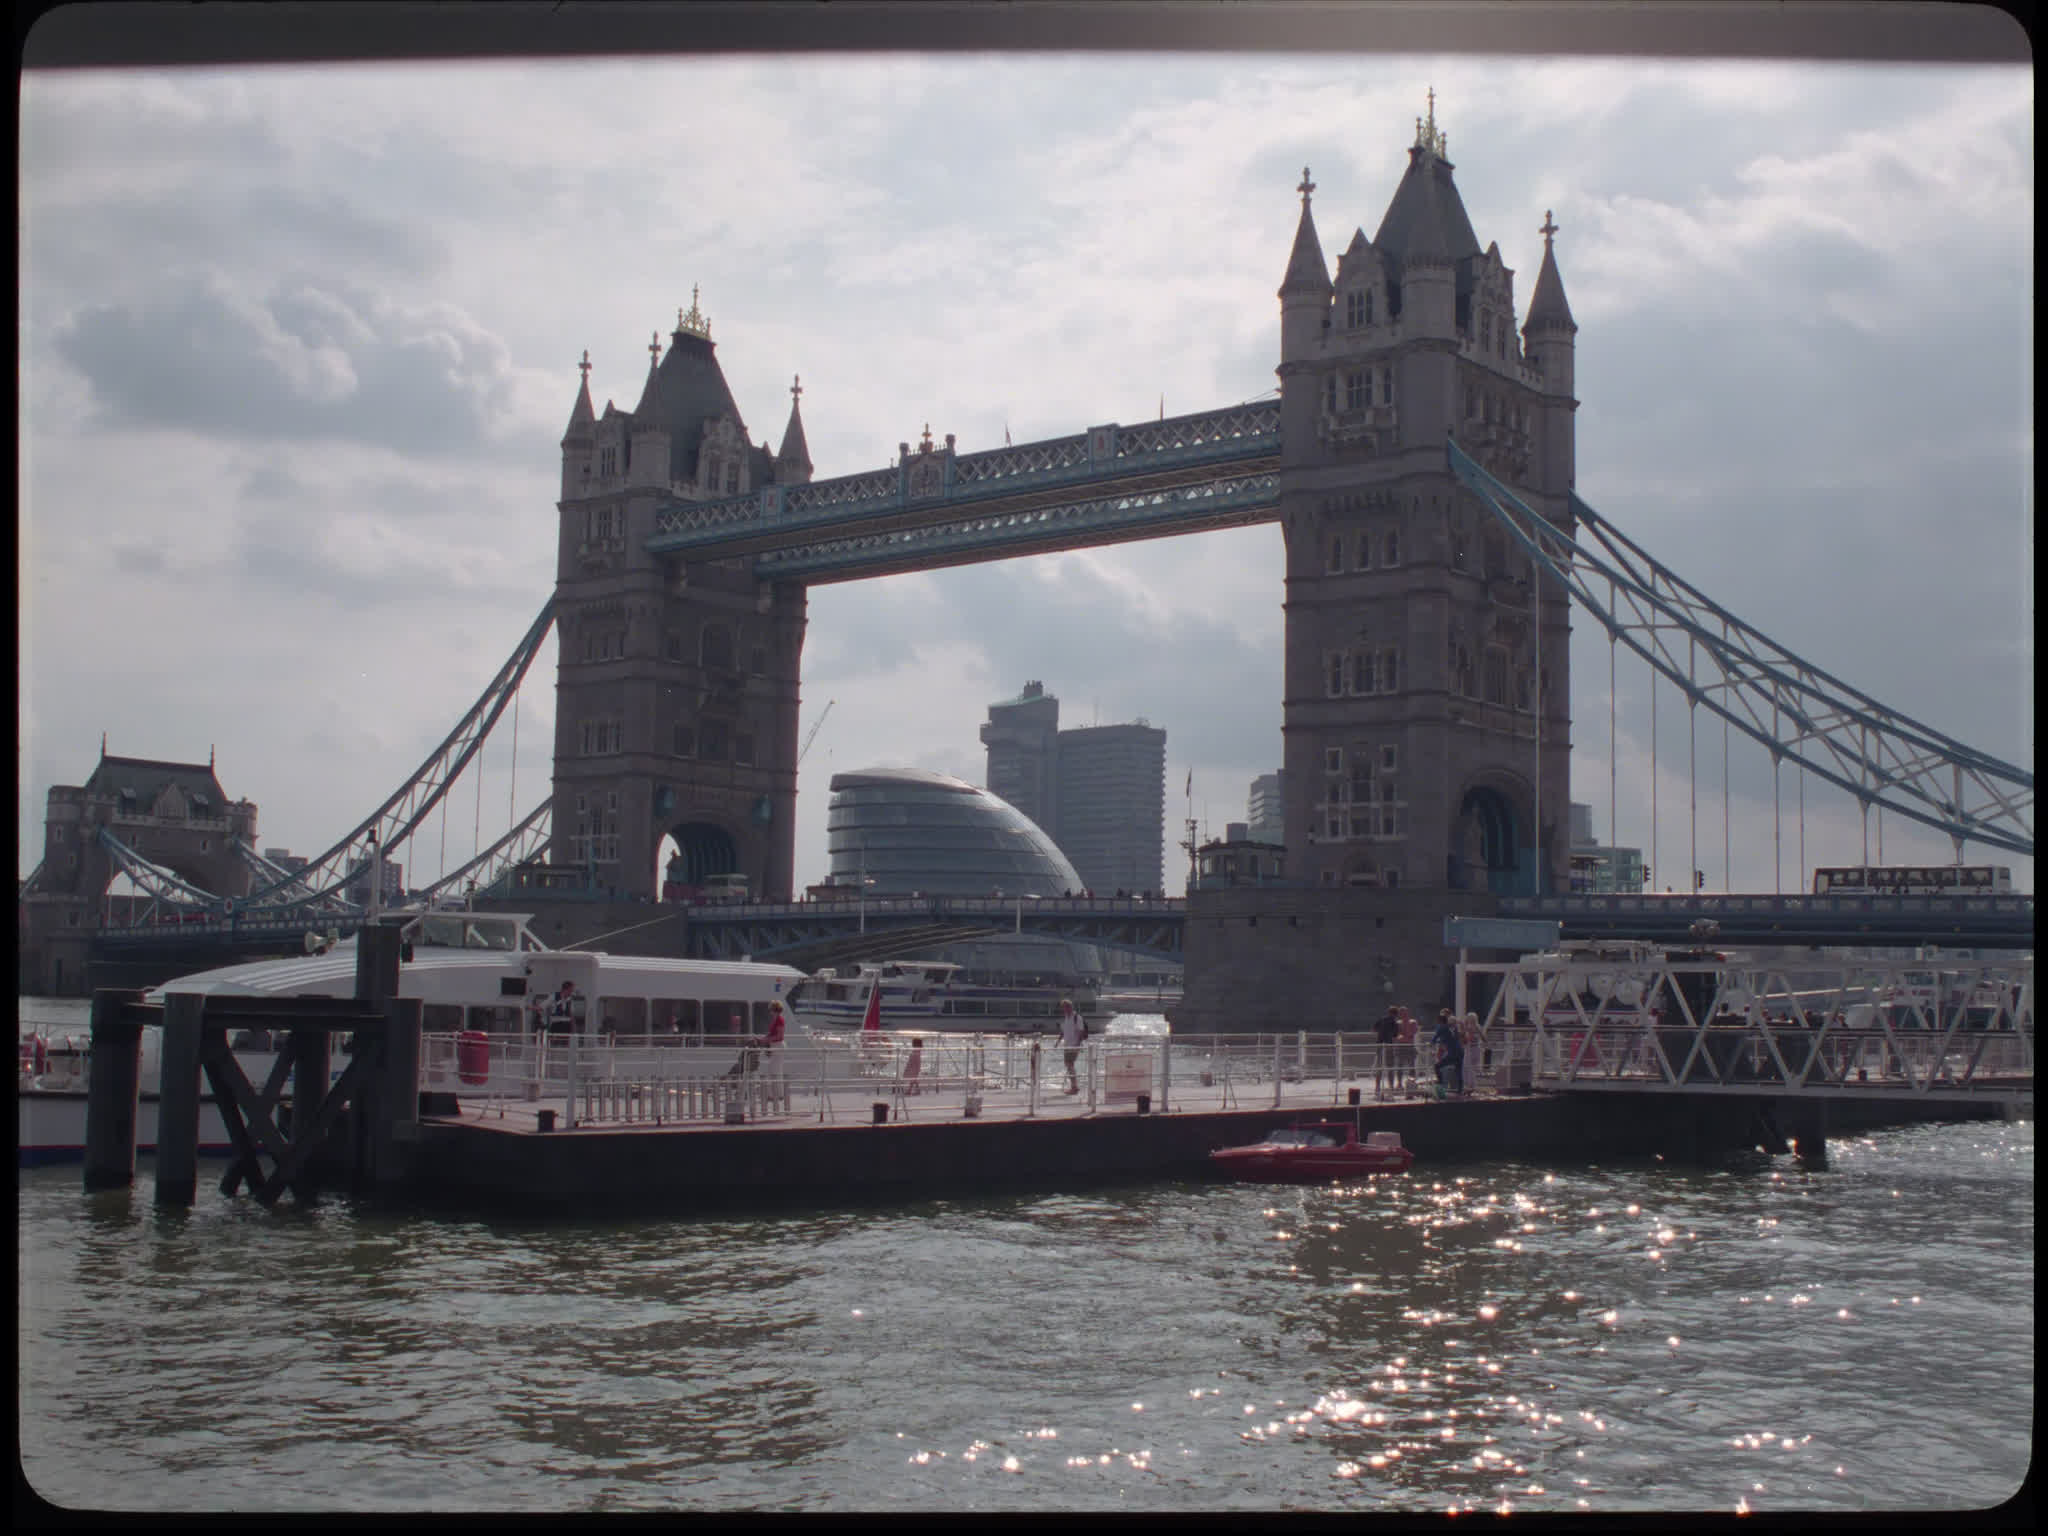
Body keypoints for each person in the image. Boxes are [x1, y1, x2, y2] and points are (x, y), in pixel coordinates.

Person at [1431, 1009, 1465, 1098]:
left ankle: (1441, 1084)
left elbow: (1434, 1039)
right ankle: (1460, 1091)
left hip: (1452, 1053)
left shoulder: (1441, 1027)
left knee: (1437, 1066)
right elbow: (1456, 1037)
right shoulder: (1453, 1027)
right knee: (1459, 1071)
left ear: (1439, 1021)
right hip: (1460, 1051)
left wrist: (1431, 1044)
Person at [1058, 998, 1086, 1095]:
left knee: (1069, 1064)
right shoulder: (1066, 1017)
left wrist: (1078, 1045)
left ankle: (1074, 1087)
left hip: (1074, 1045)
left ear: (1069, 1007)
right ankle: (1074, 1086)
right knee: (1069, 1064)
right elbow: (1063, 1031)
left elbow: (1081, 1031)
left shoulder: (1077, 1017)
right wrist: (1058, 1041)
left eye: (1065, 1007)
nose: (1064, 1010)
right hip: (1067, 1045)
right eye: (1063, 1008)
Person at [1372, 1005, 1401, 1099]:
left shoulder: (1381, 1019)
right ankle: (1391, 1088)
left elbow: (1374, 1029)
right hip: (1389, 1045)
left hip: (1380, 1045)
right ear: (1396, 1014)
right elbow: (1395, 1036)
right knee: (1390, 1068)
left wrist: (1380, 1034)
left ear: (1389, 1012)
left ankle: (1377, 1088)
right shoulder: (1394, 1023)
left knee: (1379, 1067)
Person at [1460, 1011, 1483, 1094]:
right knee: (1472, 1068)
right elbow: (1483, 1037)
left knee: (1467, 1068)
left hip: (1470, 1049)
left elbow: (1467, 1039)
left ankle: (1469, 1086)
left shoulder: (1469, 1028)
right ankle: (1471, 1086)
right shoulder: (1478, 1027)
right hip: (1477, 1049)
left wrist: (1464, 1030)